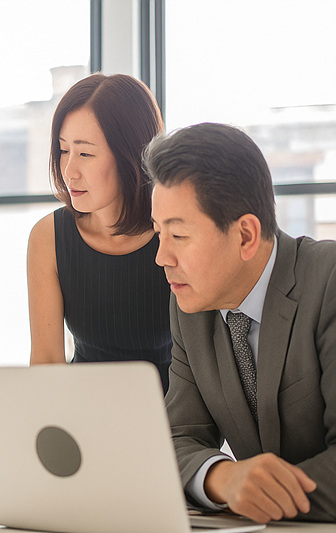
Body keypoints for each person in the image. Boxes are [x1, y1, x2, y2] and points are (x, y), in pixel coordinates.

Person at [146, 122, 336, 523]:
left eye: (178, 236)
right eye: (158, 232)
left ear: (246, 235)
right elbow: (176, 438)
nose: (162, 257)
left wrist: (255, 496)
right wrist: (222, 477)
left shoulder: (328, 282)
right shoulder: (190, 307)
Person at [27, 73, 172, 392]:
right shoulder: (48, 238)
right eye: (64, 150)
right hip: (83, 418)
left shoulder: (174, 233)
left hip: (174, 424)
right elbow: (46, 364)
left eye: (86, 153)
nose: (69, 171)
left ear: (131, 155)